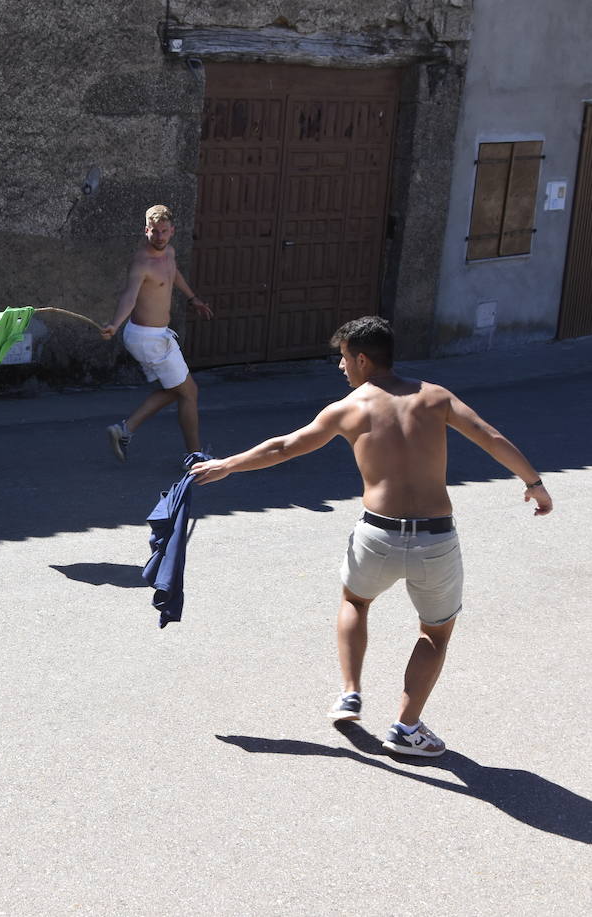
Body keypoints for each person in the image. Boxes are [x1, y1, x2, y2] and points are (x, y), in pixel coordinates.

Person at [187, 316, 553, 757]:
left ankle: (349, 692)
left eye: (343, 358)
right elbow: (490, 437)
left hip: (377, 534)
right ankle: (406, 727)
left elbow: (284, 447)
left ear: (362, 358)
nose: (341, 367)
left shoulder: (350, 408)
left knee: (355, 602)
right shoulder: (434, 397)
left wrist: (226, 465)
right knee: (435, 632)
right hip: (434, 539)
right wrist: (534, 484)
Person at [101, 204, 214, 461]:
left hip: (156, 335)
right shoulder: (143, 262)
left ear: (172, 231)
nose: (160, 237)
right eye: (155, 232)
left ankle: (124, 430)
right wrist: (115, 324)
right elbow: (129, 297)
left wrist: (193, 298)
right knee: (190, 392)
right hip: (148, 339)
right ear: (146, 230)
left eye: (164, 231)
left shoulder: (169, 252)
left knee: (176, 389)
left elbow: (174, 275)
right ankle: (194, 458)